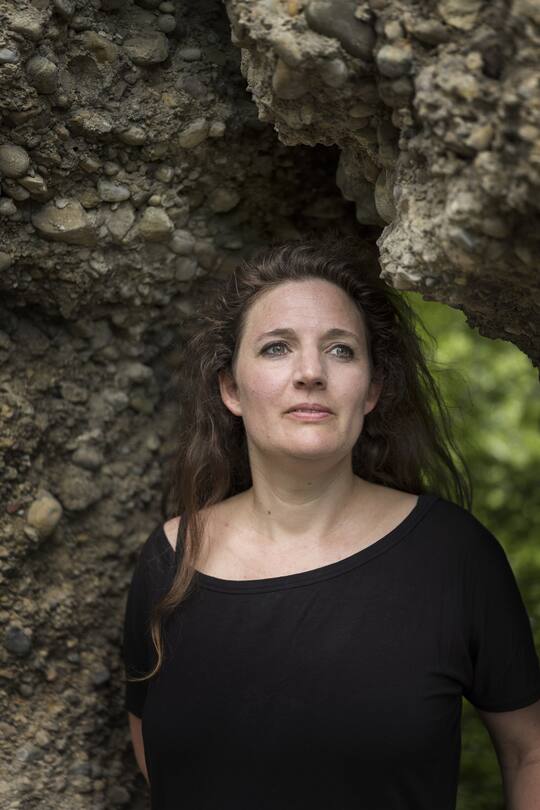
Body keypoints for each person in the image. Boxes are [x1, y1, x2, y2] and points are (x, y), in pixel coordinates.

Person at [122, 235, 540, 809]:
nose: (311, 372)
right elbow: (158, 755)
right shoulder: (170, 558)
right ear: (230, 388)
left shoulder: (453, 555)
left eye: (341, 350)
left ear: (371, 390)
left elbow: (529, 752)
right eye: (276, 348)